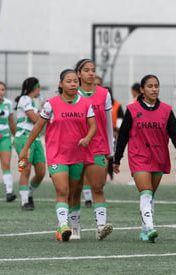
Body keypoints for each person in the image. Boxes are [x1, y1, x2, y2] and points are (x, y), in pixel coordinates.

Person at [19, 69, 97, 242]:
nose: (73, 84)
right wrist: (25, 148)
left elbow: (93, 126)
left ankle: (75, 226)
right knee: (63, 190)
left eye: (75, 81)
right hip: (57, 155)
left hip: (78, 154)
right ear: (61, 84)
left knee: (75, 192)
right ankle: (63, 226)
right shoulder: (51, 104)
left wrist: (87, 138)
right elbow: (38, 126)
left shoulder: (86, 103)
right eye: (69, 81)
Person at [114, 74, 176, 242]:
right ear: (142, 90)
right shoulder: (132, 110)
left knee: (149, 195)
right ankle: (151, 227)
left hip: (158, 156)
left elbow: (175, 133)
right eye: (150, 86)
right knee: (146, 193)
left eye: (156, 86)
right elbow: (123, 136)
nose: (154, 89)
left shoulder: (166, 110)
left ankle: (144, 230)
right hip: (138, 157)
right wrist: (117, 159)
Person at [70, 59, 114, 241]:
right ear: (78, 74)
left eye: (93, 70)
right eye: (86, 70)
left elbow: (109, 124)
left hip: (97, 146)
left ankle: (101, 226)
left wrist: (111, 150)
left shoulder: (104, 94)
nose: (91, 73)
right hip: (76, 148)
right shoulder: (72, 94)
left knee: (97, 186)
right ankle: (74, 228)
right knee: (75, 189)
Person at [14, 77, 46, 210]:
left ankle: (29, 193)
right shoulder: (25, 99)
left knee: (41, 172)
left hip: (36, 139)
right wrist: (44, 110)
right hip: (24, 137)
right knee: (26, 169)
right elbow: (34, 119)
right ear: (35, 88)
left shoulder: (32, 102)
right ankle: (24, 201)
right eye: (39, 87)